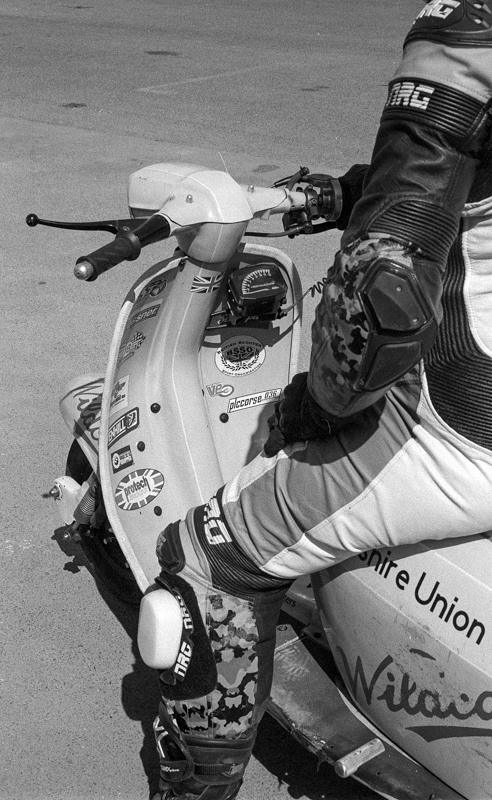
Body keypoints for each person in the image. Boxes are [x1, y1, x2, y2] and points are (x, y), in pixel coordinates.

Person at [150, 4, 492, 798]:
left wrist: (316, 409)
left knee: (207, 563)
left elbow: (381, 301)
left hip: (461, 430)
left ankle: (196, 788)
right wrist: (338, 194)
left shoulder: (466, 34)